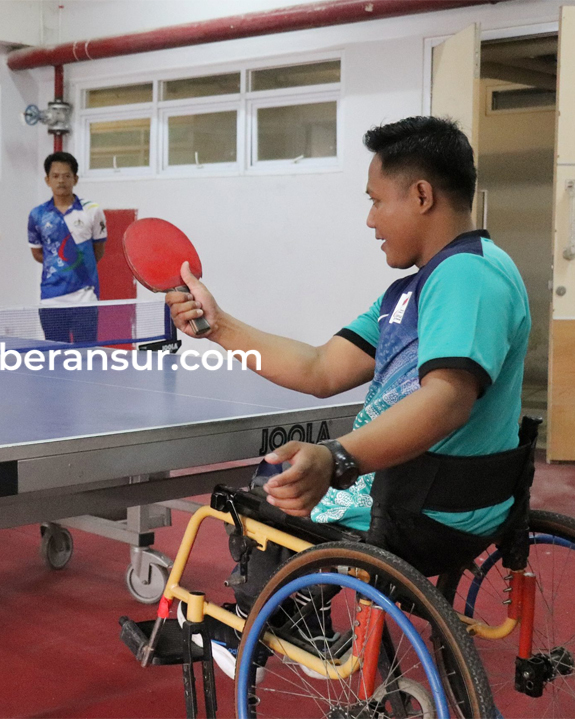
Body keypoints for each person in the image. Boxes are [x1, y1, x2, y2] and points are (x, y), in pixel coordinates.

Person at [166, 116, 531, 678]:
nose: (370, 220)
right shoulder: (416, 288)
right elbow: (320, 368)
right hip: (426, 494)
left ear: (421, 196)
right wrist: (220, 327)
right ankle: (296, 618)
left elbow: (447, 399)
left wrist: (338, 458)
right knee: (286, 479)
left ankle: (263, 628)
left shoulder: (467, 277)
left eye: (376, 201)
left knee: (265, 492)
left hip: (421, 510)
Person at [28, 152, 107, 343]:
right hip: (51, 299)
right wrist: (61, 264)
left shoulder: (92, 210)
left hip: (84, 298)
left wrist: (78, 266)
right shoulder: (37, 214)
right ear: (47, 180)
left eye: (66, 175)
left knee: (86, 354)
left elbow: (98, 250)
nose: (61, 181)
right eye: (55, 176)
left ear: (75, 179)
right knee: (55, 355)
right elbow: (38, 253)